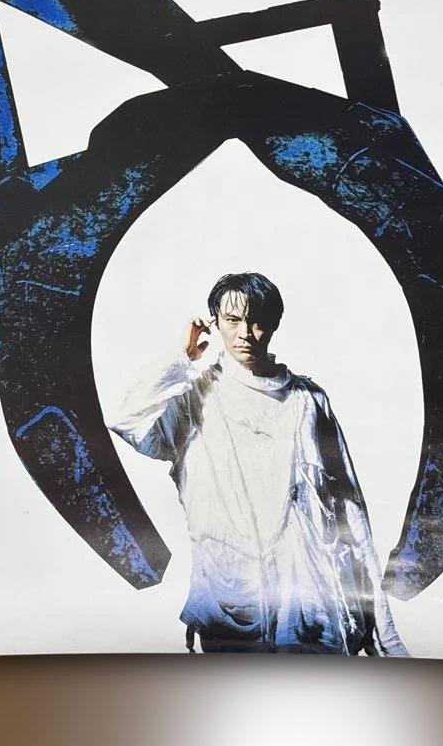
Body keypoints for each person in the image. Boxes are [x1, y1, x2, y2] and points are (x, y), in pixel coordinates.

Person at [109, 272, 408, 656]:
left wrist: (383, 634)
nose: (245, 334)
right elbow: (128, 420)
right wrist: (181, 357)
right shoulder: (195, 400)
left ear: (274, 324)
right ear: (215, 322)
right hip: (229, 599)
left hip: (310, 600)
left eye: (257, 322)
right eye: (232, 320)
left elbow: (350, 512)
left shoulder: (308, 401)